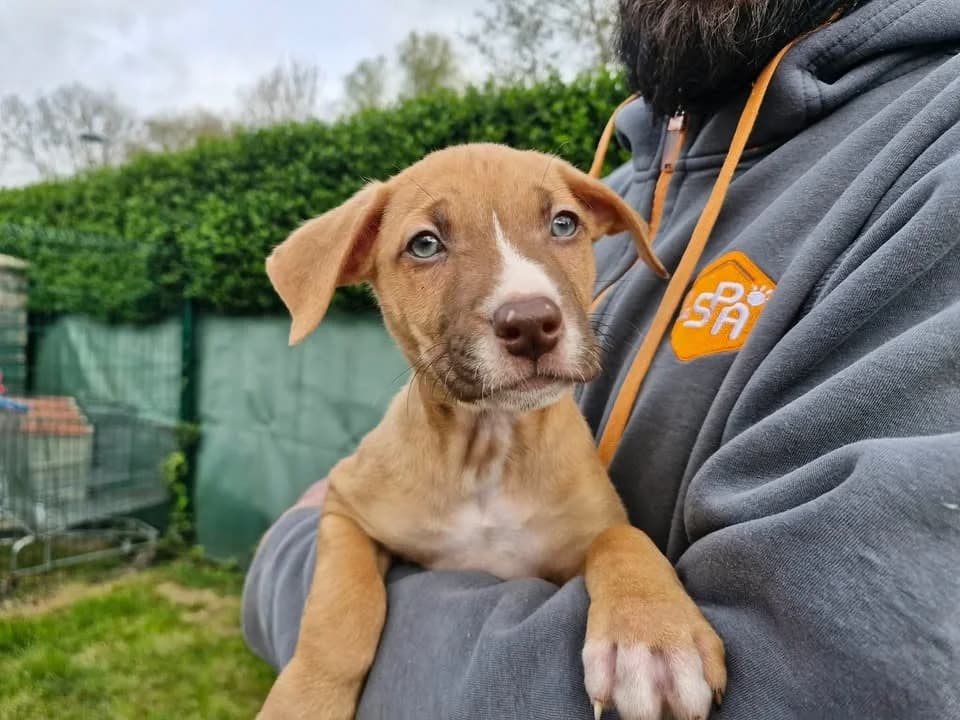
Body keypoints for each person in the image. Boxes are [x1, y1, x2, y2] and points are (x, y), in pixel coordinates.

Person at [242, 0, 960, 716]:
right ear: (360, 260)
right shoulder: (634, 182)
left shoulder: (931, 152)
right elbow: (347, 515)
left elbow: (615, 543)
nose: (522, 303)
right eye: (426, 244)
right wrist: (325, 666)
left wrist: (286, 556)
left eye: (560, 226)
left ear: (606, 231)